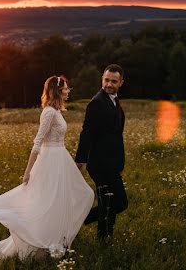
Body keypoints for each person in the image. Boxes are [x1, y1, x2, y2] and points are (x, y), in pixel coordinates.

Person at [0, 75, 94, 260]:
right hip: (50, 162)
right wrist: (28, 171)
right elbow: (37, 142)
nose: (69, 91)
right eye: (67, 88)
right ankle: (40, 243)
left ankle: (56, 238)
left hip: (61, 159)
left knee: (77, 196)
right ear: (58, 90)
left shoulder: (57, 111)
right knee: (47, 202)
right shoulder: (49, 113)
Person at [75, 64, 128, 240]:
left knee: (111, 202)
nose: (109, 84)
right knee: (118, 203)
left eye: (114, 81)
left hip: (112, 163)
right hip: (99, 164)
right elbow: (87, 132)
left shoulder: (114, 101)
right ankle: (81, 219)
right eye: (106, 80)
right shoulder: (96, 103)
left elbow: (116, 136)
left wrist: (120, 163)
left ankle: (104, 237)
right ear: (102, 79)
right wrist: (80, 160)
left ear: (121, 83)